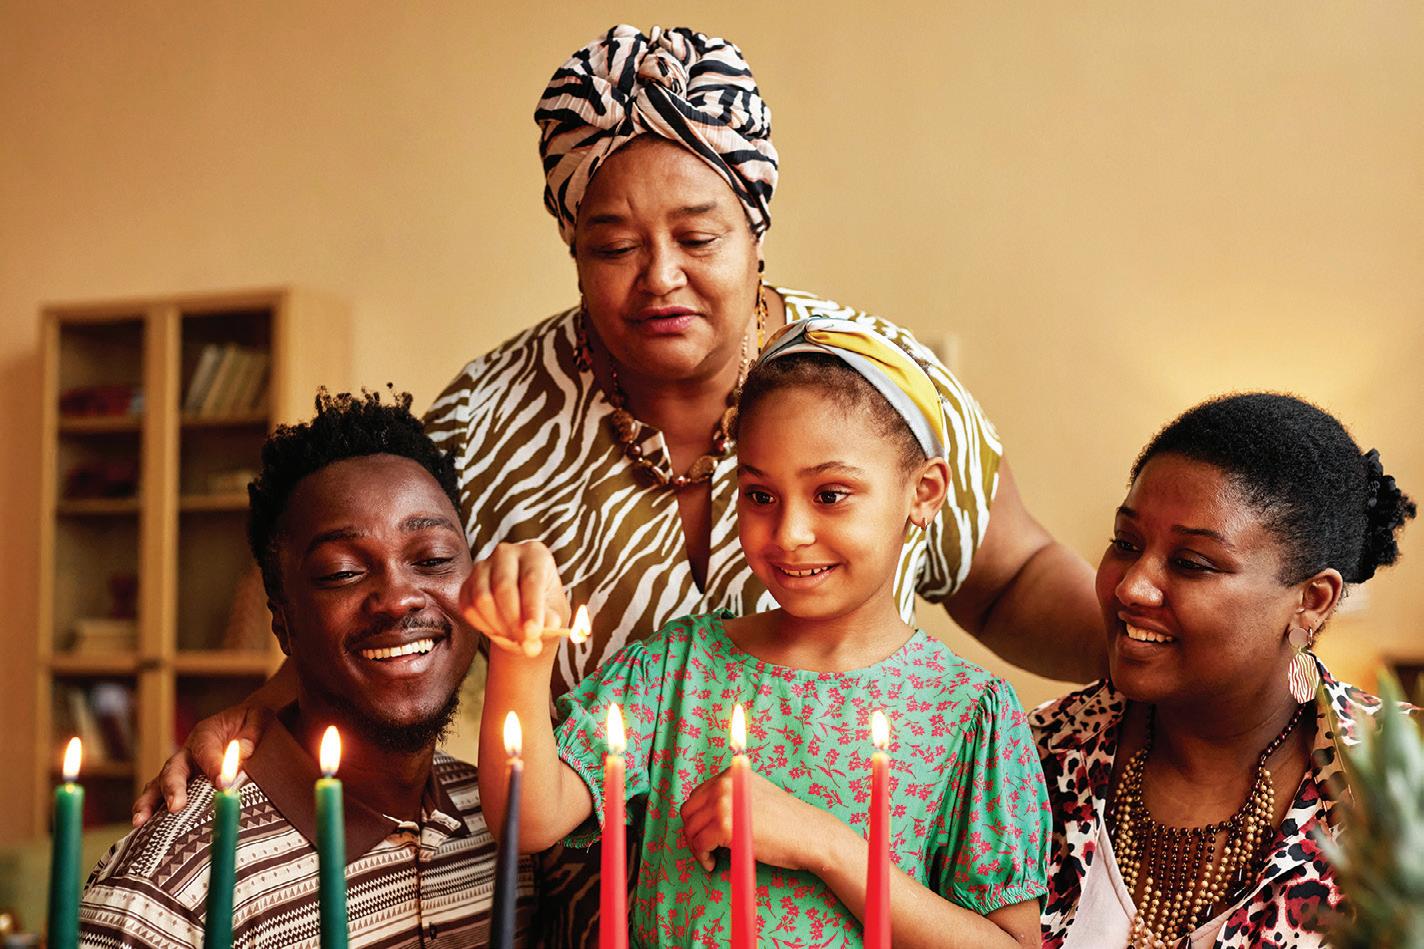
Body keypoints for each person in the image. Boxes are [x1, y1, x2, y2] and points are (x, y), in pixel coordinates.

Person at [133, 24, 1102, 946]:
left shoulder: (870, 393)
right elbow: (387, 586)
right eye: (614, 246)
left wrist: (1159, 649)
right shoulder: (489, 420)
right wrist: (268, 704)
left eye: (698, 237)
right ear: (571, 249)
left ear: (754, 228)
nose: (660, 277)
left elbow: (1013, 579)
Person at [476, 318, 1049, 948]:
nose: (789, 534)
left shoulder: (967, 712)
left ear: (924, 492)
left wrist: (828, 847)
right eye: (760, 496)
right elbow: (529, 819)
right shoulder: (679, 670)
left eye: (830, 494)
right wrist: (520, 652)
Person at [82, 391, 533, 946]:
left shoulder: (507, 824)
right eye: (342, 573)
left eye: (433, 559)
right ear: (283, 621)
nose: (398, 598)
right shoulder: (169, 890)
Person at [1031, 393, 1417, 948]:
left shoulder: (1398, 783)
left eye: (1191, 563)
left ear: (1311, 600)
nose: (1131, 587)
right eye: (1126, 543)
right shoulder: (1036, 756)